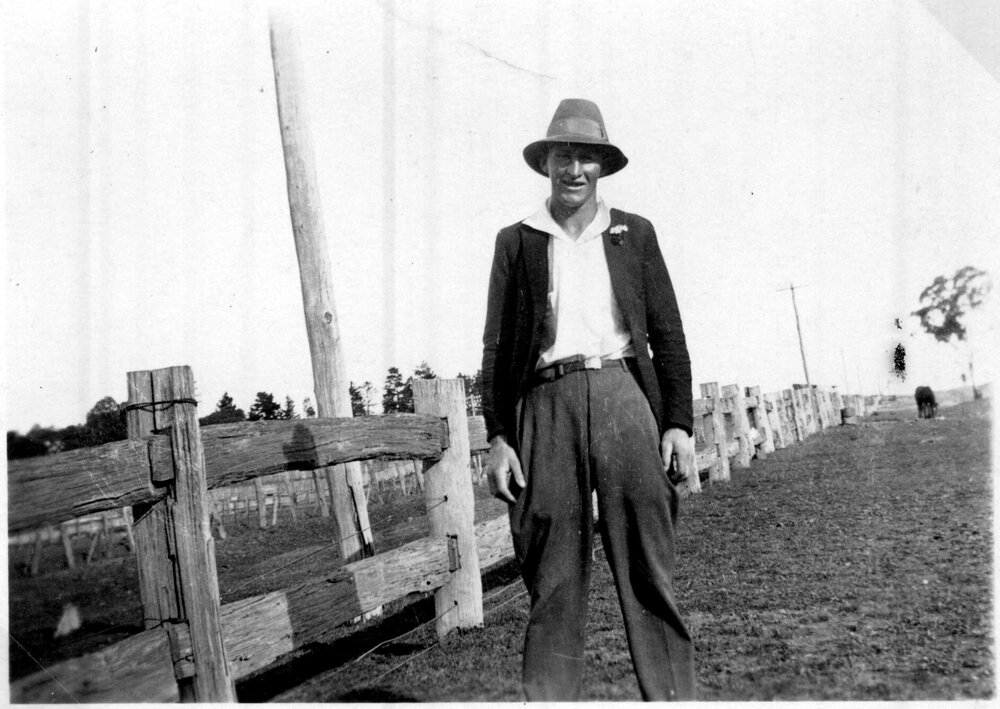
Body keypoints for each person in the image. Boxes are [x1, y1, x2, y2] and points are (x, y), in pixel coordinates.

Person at [481, 98, 697, 701]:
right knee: (553, 579)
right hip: (545, 408)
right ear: (546, 163)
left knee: (648, 568)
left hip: (623, 395)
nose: (574, 170)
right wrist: (498, 437)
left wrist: (677, 423)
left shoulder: (634, 233)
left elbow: (668, 335)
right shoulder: (517, 241)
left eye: (586, 158)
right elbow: (496, 347)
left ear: (602, 166)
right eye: (562, 157)